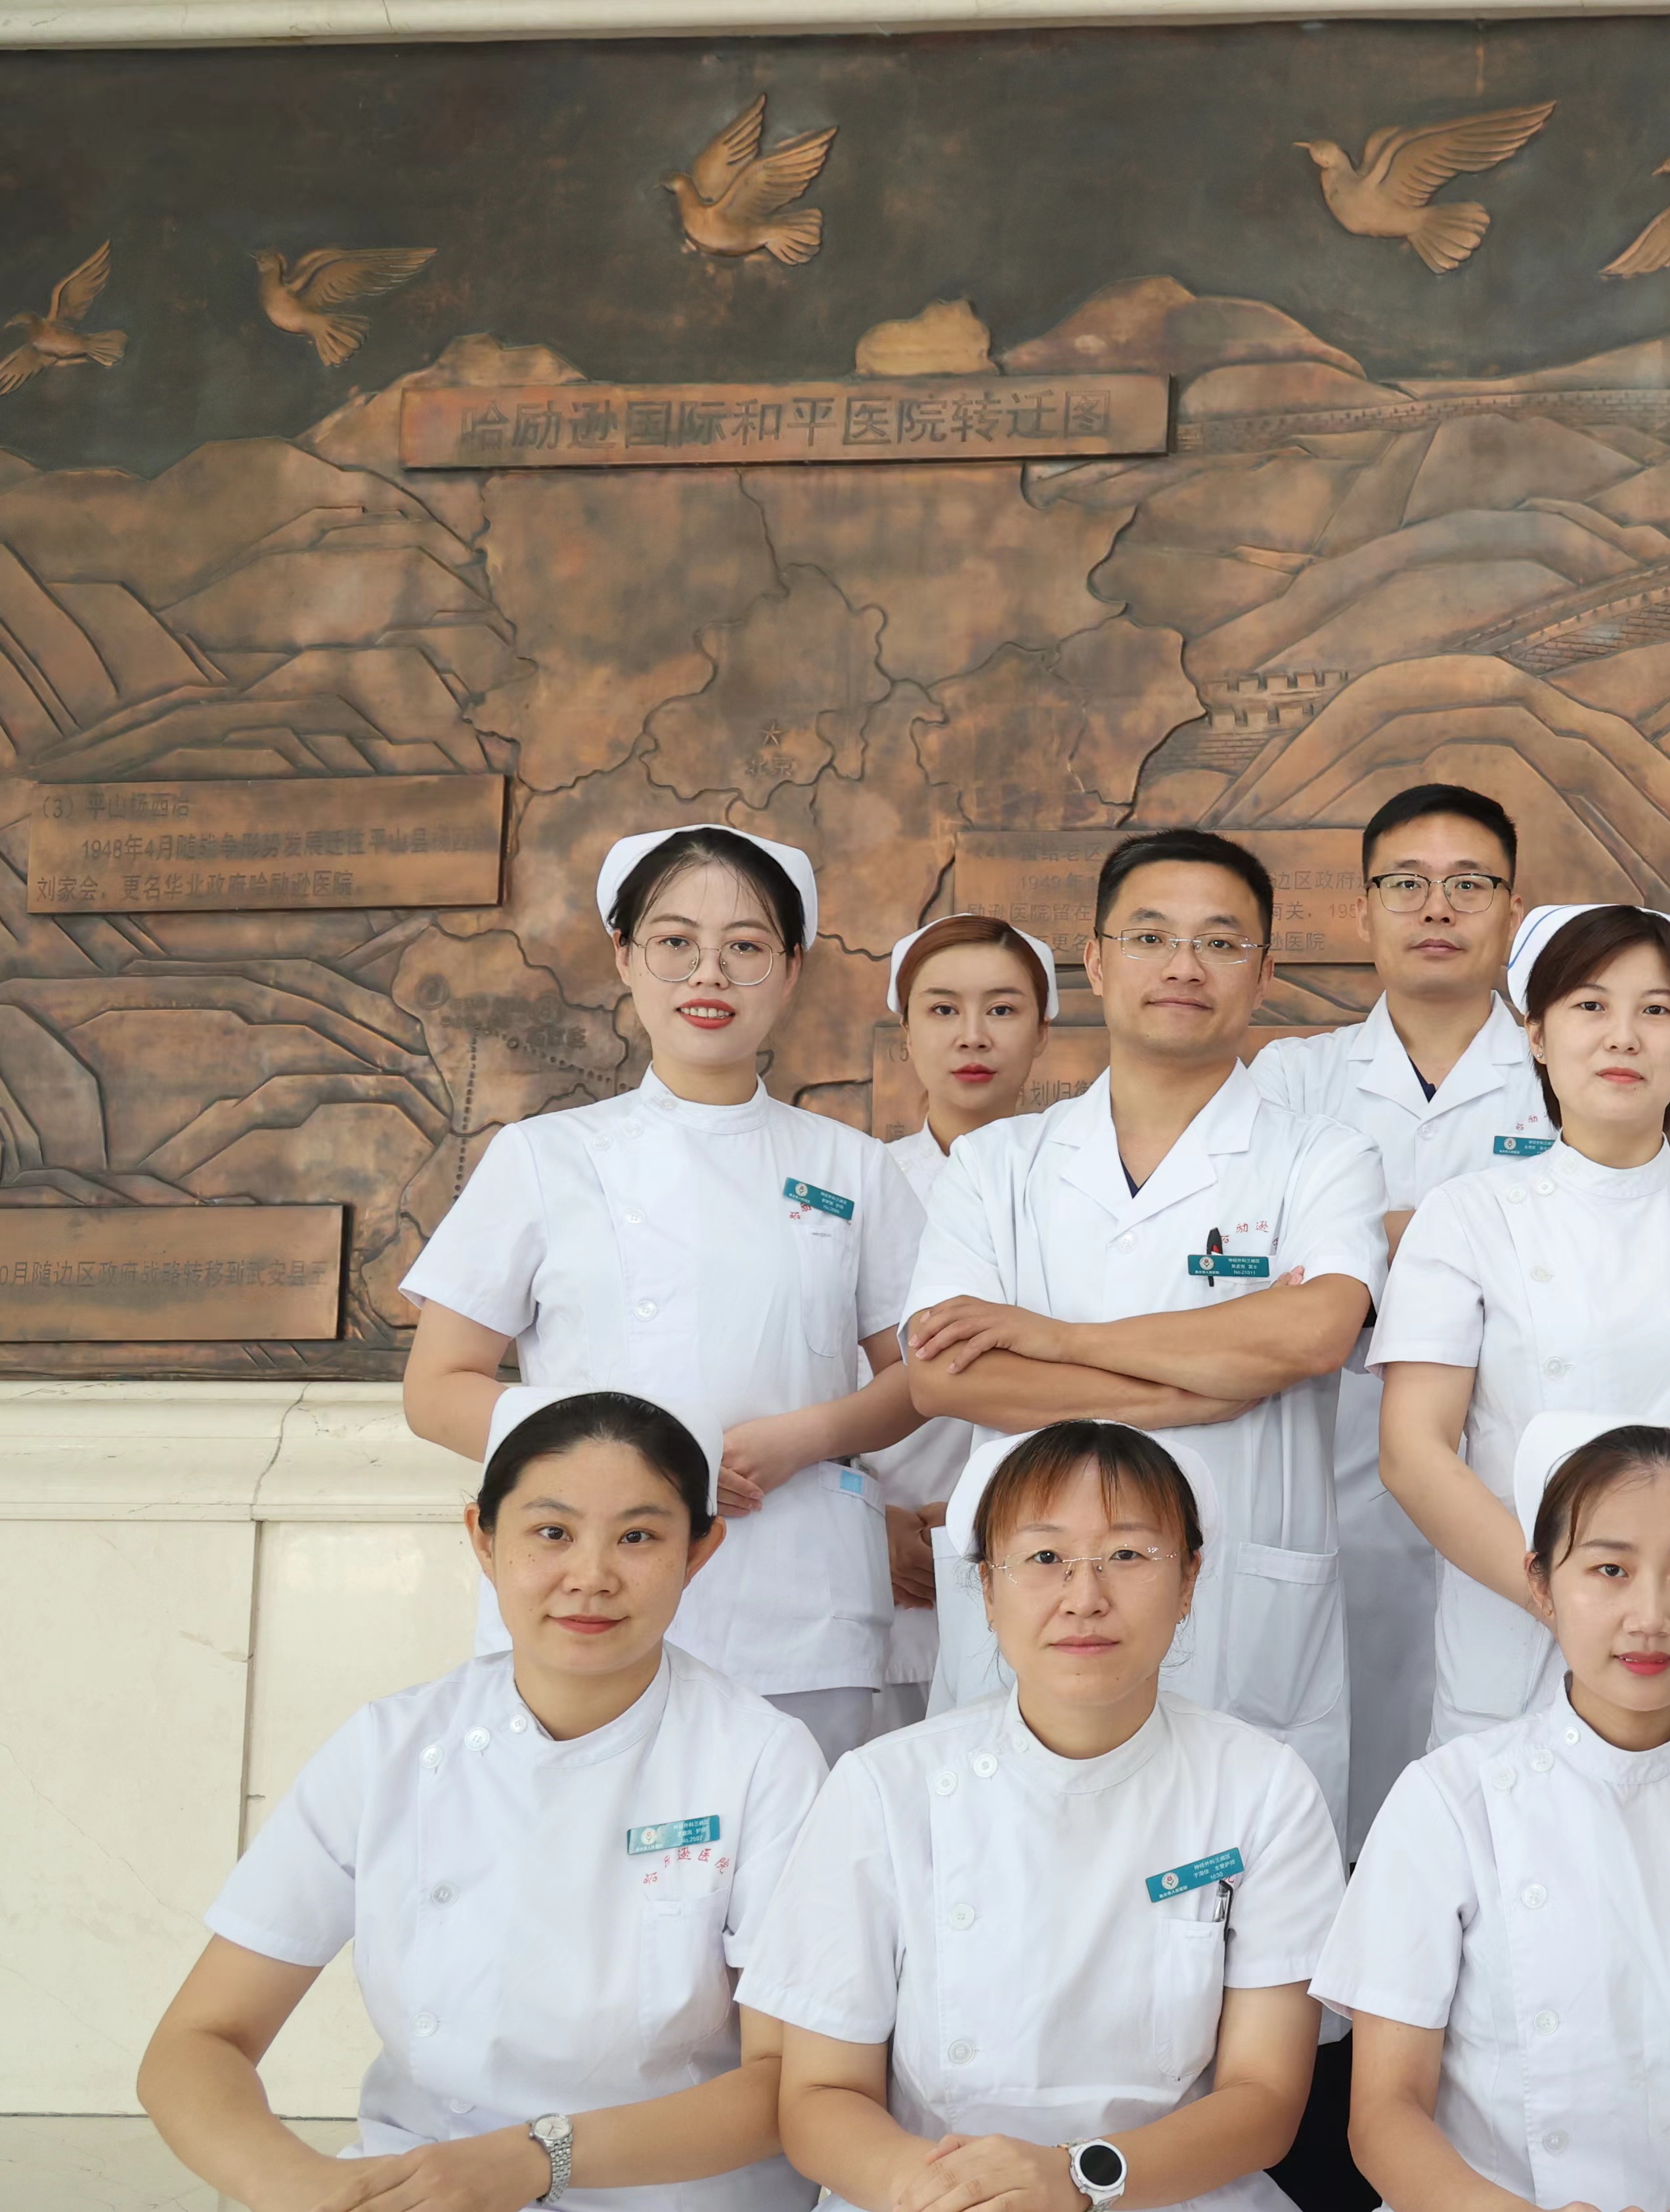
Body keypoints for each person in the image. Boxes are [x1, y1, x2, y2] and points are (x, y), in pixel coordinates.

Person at [143, 1391, 825, 2212]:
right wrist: (306, 2188)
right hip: (421, 2176)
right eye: (552, 1532)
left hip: (674, 2195)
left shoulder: (761, 1758)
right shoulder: (389, 1747)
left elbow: (790, 2083)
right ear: (484, 1538)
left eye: (638, 1536)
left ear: (699, 1551)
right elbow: (199, 2039)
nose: (591, 1576)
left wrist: (534, 2159)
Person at [402, 824, 924, 1764]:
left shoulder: (853, 1168)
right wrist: (639, 1457)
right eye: (675, 941)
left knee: (801, 1853)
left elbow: (918, 1379)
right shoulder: (544, 1157)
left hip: (798, 1601)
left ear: (792, 969)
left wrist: (804, 1437)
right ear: (625, 956)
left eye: (745, 946)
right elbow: (436, 1390)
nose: (707, 974)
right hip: (586, 1594)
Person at [901, 830, 1390, 1819]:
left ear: (1263, 972)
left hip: (1244, 1599)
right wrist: (1198, 1382)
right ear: (1095, 960)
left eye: (1220, 942)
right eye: (1151, 936)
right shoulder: (998, 1164)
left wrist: (1055, 1336)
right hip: (1035, 1602)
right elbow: (947, 1377)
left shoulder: (1324, 1157)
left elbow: (1313, 1335)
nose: (1183, 966)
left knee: (1235, 1869)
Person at [744, 1421, 1341, 2212]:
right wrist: (948, 2195)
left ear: (1189, 1580)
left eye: (1128, 1553)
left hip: (1166, 2190)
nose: (1084, 1596)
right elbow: (821, 2093)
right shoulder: (884, 1787)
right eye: (1044, 1556)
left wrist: (1076, 2178)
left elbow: (1264, 2096)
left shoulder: (1262, 1787)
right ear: (988, 1590)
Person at [1323, 1424, 1670, 2212]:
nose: (1650, 1615)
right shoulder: (1449, 1797)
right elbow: (1384, 2112)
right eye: (1610, 1569)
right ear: (1541, 1584)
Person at [1374, 904, 1670, 1749]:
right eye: (1590, 1005)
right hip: (1523, 1633)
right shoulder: (1469, 1216)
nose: (1624, 1035)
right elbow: (1414, 1450)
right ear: (1536, 1034)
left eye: (1656, 1009)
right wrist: (1566, 1602)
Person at [1251, 784, 1557, 1842]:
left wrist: (1364, 1240)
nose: (1437, 908)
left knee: (1504, 1802)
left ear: (1512, 911)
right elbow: (1263, 1274)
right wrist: (1476, 1235)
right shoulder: (1293, 1077)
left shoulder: (1568, 1064)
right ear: (1364, 909)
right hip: (1327, 1469)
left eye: (1468, 884)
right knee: (1336, 1786)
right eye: (1407, 884)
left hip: (1515, 1470)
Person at [860, 913, 1053, 1739]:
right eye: (942, 1009)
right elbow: (808, 1372)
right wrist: (872, 1521)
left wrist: (989, 1510)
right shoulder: (861, 1185)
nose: (973, 1034)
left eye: (1003, 1009)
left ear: (1043, 1032)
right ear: (905, 1033)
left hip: (1044, 1545)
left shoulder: (1083, 1187)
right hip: (883, 1562)